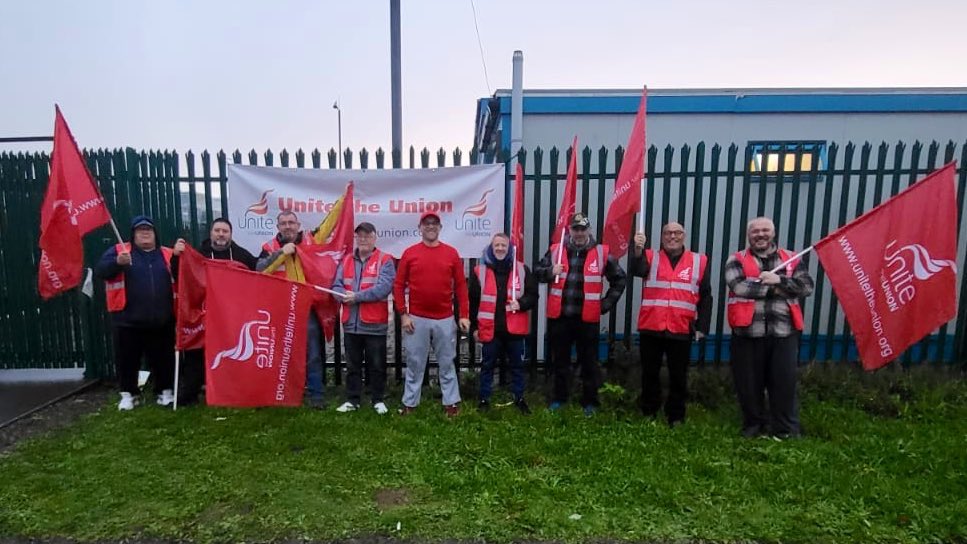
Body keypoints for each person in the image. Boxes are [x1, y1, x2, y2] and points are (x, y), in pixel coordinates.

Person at [725, 217, 814, 438]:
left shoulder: (791, 258)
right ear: (749, 235)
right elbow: (739, 287)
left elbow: (806, 287)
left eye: (765, 230)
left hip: (784, 332)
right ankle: (754, 426)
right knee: (748, 384)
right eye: (755, 231)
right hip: (748, 332)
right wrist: (779, 289)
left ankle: (785, 429)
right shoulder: (736, 259)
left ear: (773, 233)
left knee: (784, 383)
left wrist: (778, 281)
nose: (760, 235)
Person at [535, 213, 626, 415]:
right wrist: (550, 271)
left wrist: (605, 304)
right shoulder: (556, 250)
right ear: (570, 231)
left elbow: (620, 279)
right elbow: (537, 271)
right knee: (560, 361)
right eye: (575, 229)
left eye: (583, 229)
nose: (579, 233)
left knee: (589, 362)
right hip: (560, 317)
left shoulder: (602, 253)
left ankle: (590, 401)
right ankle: (559, 399)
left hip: (587, 319)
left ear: (589, 231)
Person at [630, 222, 712, 427]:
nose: (672, 237)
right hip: (652, 326)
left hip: (681, 327)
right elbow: (637, 270)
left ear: (684, 236)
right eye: (667, 233)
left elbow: (705, 296)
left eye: (677, 233)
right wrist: (638, 251)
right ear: (662, 237)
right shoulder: (650, 256)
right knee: (650, 373)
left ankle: (676, 416)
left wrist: (702, 326)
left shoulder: (698, 261)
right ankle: (649, 411)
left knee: (678, 375)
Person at [170, 217, 257, 406]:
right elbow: (180, 274)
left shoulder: (242, 255)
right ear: (210, 233)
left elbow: (259, 272)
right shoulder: (198, 254)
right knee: (195, 352)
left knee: (232, 353)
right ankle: (190, 393)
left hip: (231, 316)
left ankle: (233, 391)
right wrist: (176, 256)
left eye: (225, 231)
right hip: (204, 313)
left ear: (231, 234)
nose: (221, 234)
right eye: (217, 230)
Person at [94, 215, 176, 411]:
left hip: (162, 320)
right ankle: (129, 394)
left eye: (148, 229)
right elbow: (101, 271)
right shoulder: (119, 251)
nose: (145, 233)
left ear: (155, 234)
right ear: (133, 234)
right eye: (140, 230)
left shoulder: (168, 254)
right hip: (127, 320)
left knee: (164, 359)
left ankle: (165, 392)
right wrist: (117, 262)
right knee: (127, 361)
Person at [393, 211, 470, 417]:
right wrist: (403, 314)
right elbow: (398, 285)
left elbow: (461, 286)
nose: (430, 227)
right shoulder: (410, 253)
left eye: (434, 223)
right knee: (415, 363)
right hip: (416, 319)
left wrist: (464, 314)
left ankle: (451, 403)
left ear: (440, 228)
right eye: (426, 223)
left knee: (447, 362)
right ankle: (409, 404)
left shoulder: (451, 253)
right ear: (420, 228)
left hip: (445, 318)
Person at [256, 210, 326, 408]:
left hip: (306, 308)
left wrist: (345, 198)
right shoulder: (269, 247)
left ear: (298, 225)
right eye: (284, 223)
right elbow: (260, 270)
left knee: (312, 353)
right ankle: (285, 393)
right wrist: (281, 253)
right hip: (281, 309)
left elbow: (329, 224)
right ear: (278, 227)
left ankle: (316, 395)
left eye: (291, 222)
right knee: (280, 353)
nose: (288, 226)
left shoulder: (311, 241)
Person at [468, 233, 538, 414]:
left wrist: (521, 304)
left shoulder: (522, 270)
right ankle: (484, 399)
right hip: (490, 329)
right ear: (491, 248)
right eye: (497, 245)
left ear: (509, 249)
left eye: (503, 246)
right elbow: (473, 303)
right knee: (487, 366)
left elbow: (533, 296)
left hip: (514, 329)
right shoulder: (479, 271)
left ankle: (519, 398)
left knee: (517, 366)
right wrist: (474, 328)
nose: (500, 248)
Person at [331, 222, 396, 415]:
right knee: (352, 366)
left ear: (375, 238)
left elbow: (383, 288)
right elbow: (336, 285)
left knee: (377, 365)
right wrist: (341, 295)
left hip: (375, 323)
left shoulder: (385, 260)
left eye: (367, 235)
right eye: (360, 236)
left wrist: (356, 297)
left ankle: (378, 399)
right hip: (351, 324)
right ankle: (353, 400)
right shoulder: (346, 260)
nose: (363, 239)